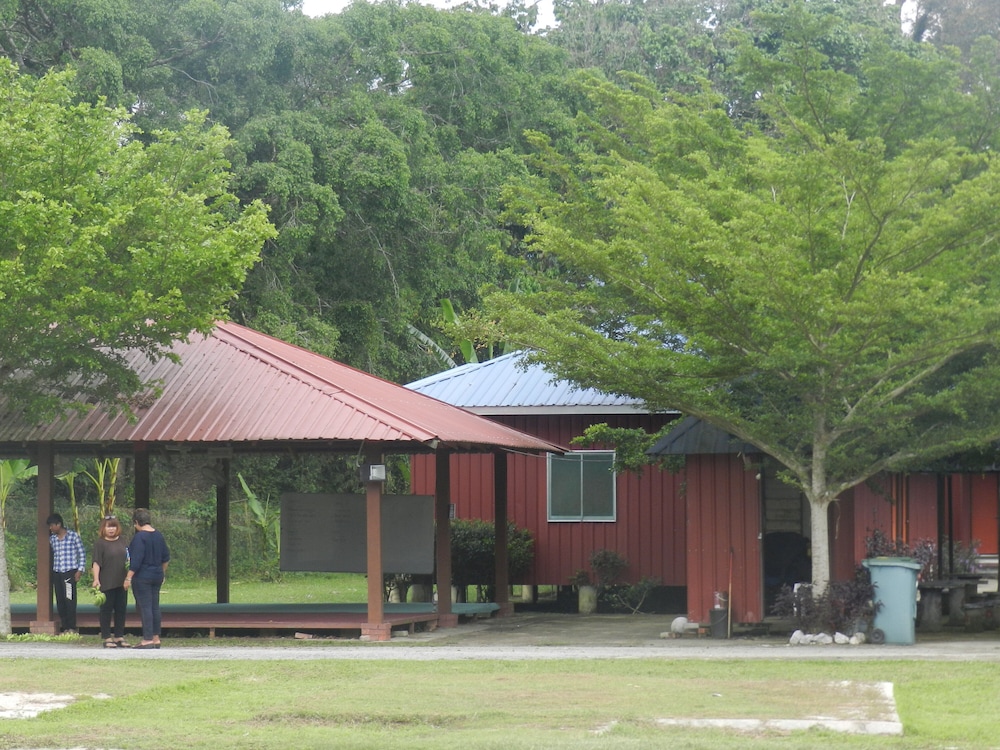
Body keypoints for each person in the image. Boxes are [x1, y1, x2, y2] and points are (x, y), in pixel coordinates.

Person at [124, 508, 170, 649]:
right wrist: (162, 572)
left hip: (143, 576)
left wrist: (128, 578)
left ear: (136, 522)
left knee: (145, 607)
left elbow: (136, 560)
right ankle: (156, 637)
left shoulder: (139, 537)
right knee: (155, 606)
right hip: (157, 574)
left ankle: (147, 638)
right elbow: (166, 557)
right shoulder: (158, 535)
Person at [92, 515, 131, 648]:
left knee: (121, 609)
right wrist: (96, 579)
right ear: (104, 528)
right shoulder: (100, 543)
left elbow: (129, 560)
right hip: (107, 582)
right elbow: (96, 563)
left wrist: (129, 577)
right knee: (106, 610)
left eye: (113, 526)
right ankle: (107, 637)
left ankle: (119, 636)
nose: (111, 529)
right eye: (108, 526)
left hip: (122, 582)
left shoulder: (123, 541)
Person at [47, 513, 86, 635]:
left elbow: (82, 554)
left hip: (69, 572)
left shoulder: (73, 536)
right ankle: (65, 627)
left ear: (58, 524)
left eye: (52, 525)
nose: (50, 528)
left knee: (69, 599)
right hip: (57, 572)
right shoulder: (52, 539)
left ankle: (72, 627)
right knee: (60, 600)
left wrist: (80, 570)